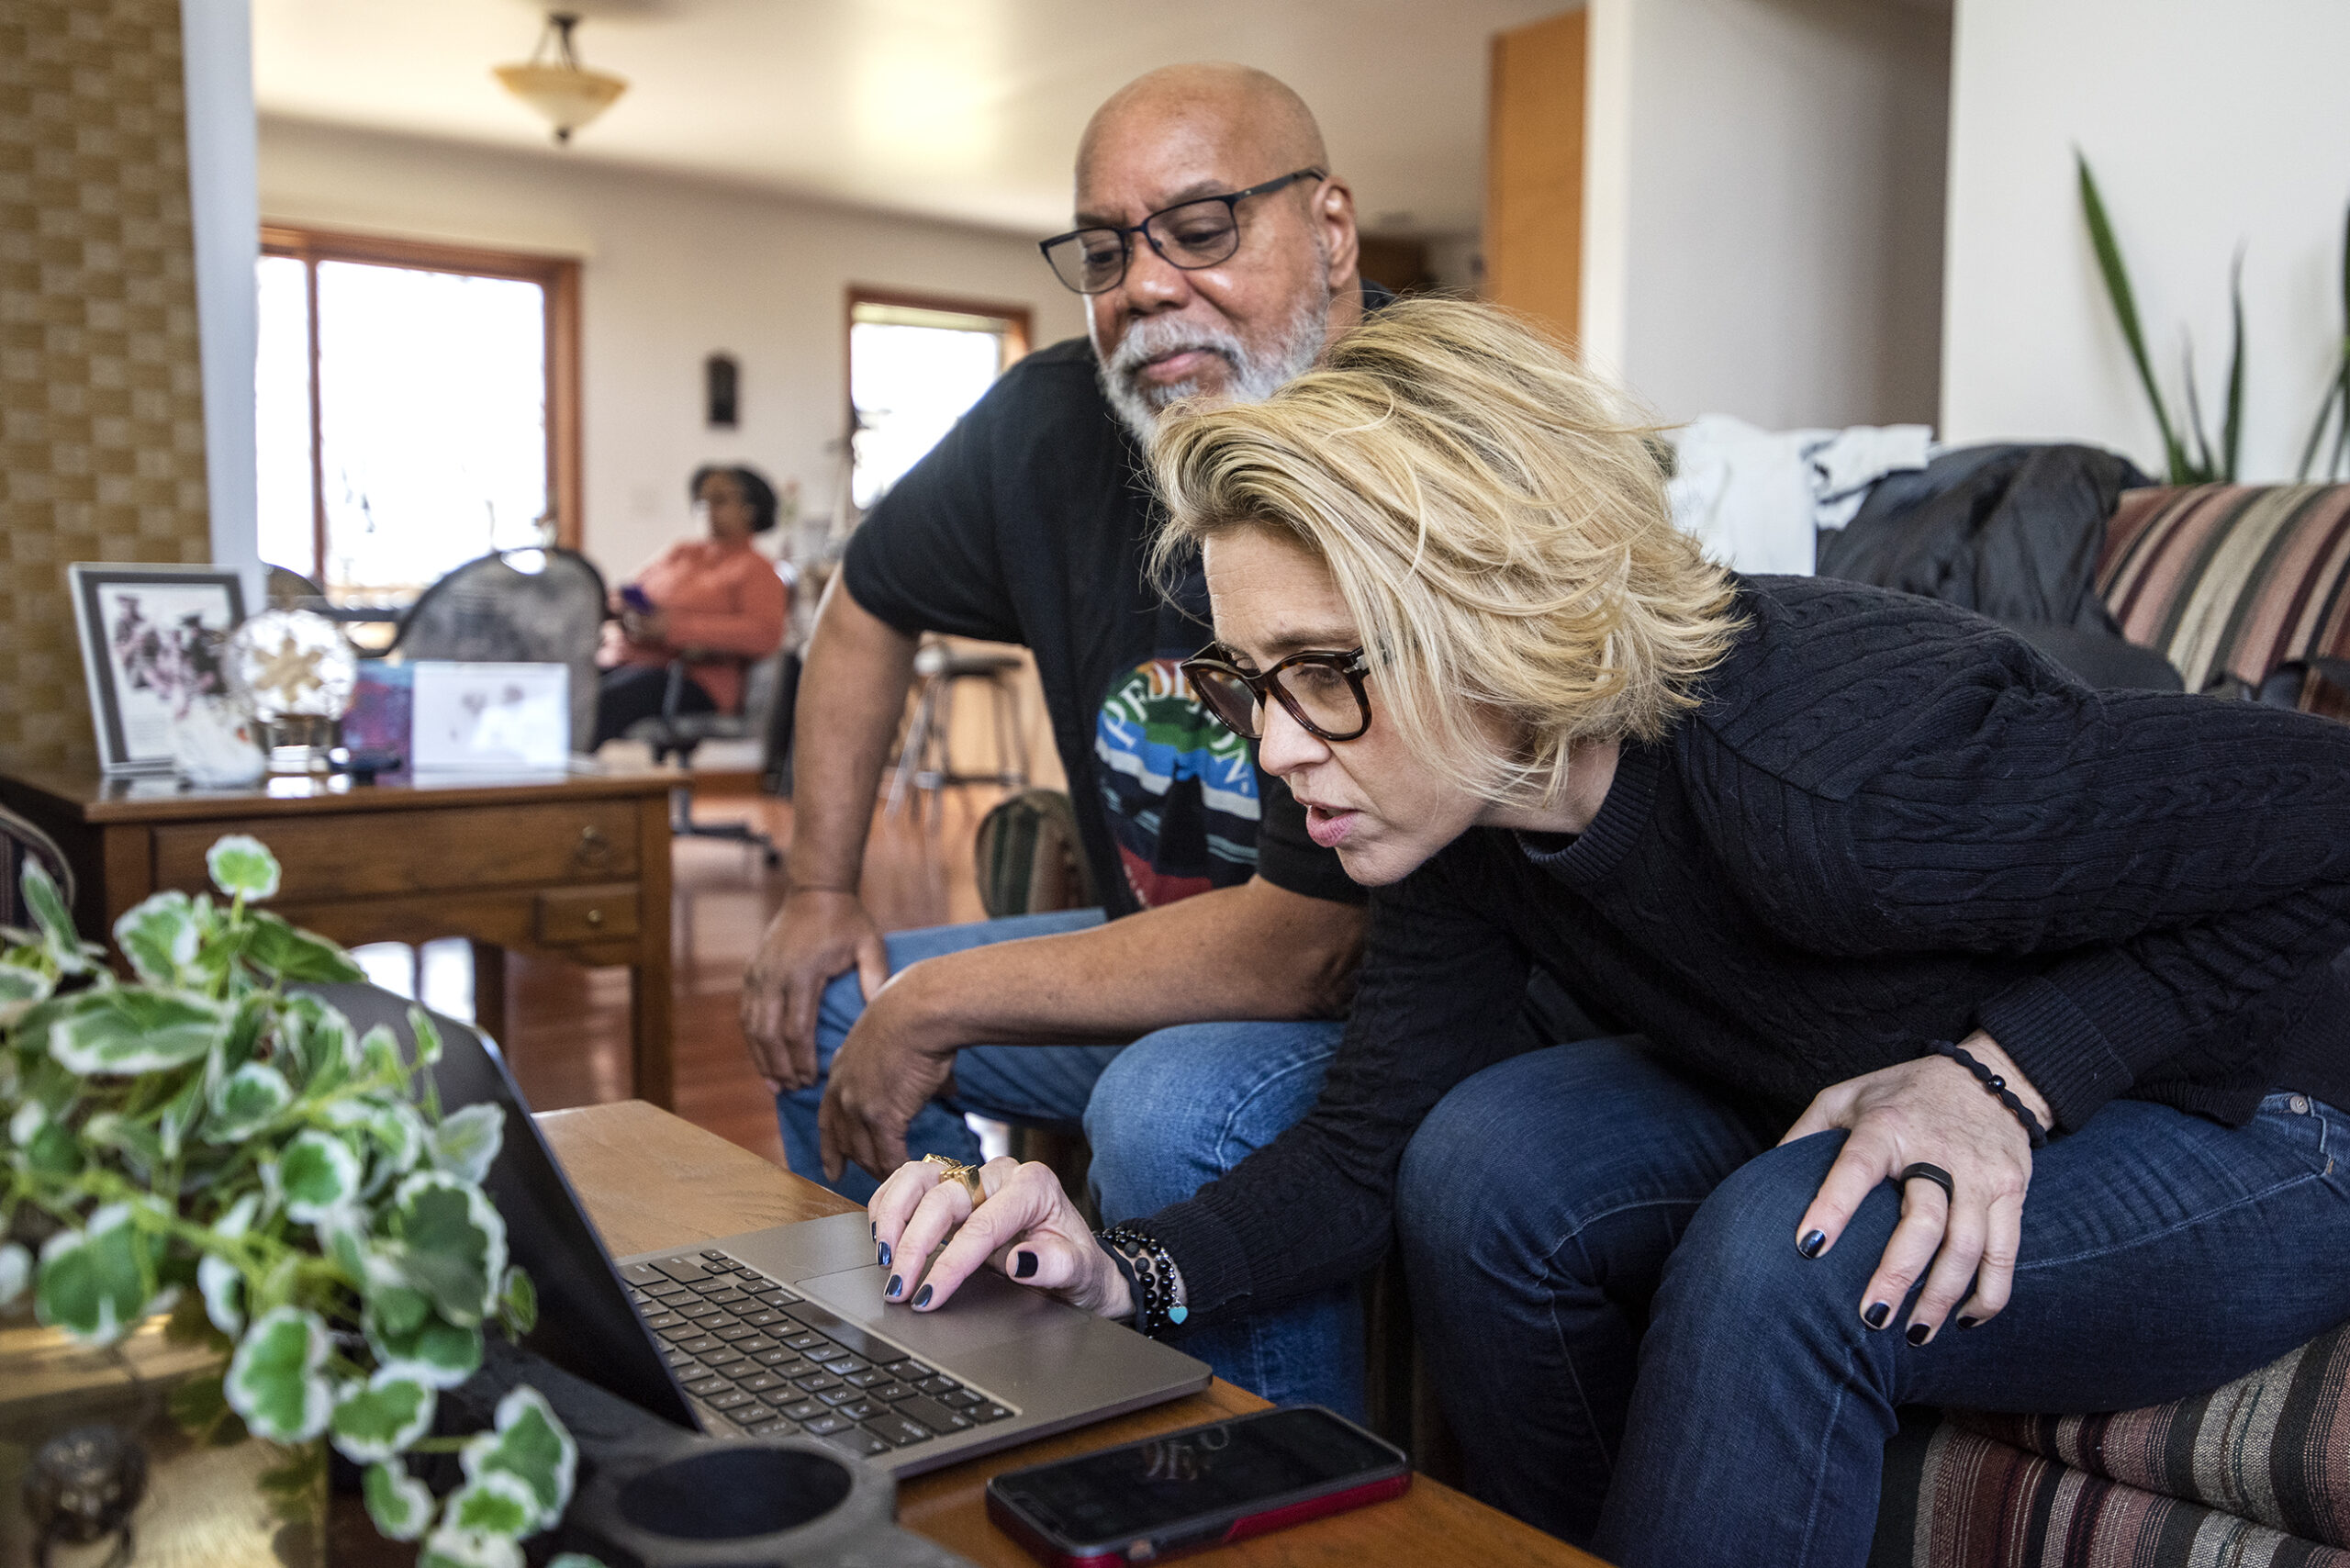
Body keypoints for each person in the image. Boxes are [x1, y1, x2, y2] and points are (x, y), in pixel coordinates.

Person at [861, 298, 2350, 1568]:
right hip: (1863, 1066)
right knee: (1484, 1154)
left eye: (1324, 671)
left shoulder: (1843, 778)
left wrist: (2011, 1069)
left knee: (1791, 1249)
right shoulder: (1463, 805)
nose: (1277, 750)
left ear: (1502, 605)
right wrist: (1114, 1269)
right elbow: (1364, 1150)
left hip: (2259, 1101)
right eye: (1253, 682)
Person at [735, 63, 1382, 1416]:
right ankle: (932, 1411)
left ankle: (1272, 1499)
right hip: (1186, 958)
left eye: (1202, 230)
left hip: (1397, 999)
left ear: (1329, 233)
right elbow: (863, 608)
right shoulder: (1049, 425)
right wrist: (818, 891)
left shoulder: (1419, 432)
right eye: (1104, 249)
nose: (1145, 285)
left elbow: (1306, 948)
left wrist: (942, 1000)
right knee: (824, 1002)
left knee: (1169, 1107)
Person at [591, 464, 789, 750]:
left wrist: (672, 628)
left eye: (719, 500)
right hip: (625, 660)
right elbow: (629, 591)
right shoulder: (682, 552)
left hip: (689, 680)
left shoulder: (757, 569)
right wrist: (621, 611)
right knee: (567, 690)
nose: (706, 508)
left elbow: (764, 634)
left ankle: (567, 790)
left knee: (597, 706)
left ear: (750, 509)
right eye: (701, 500)